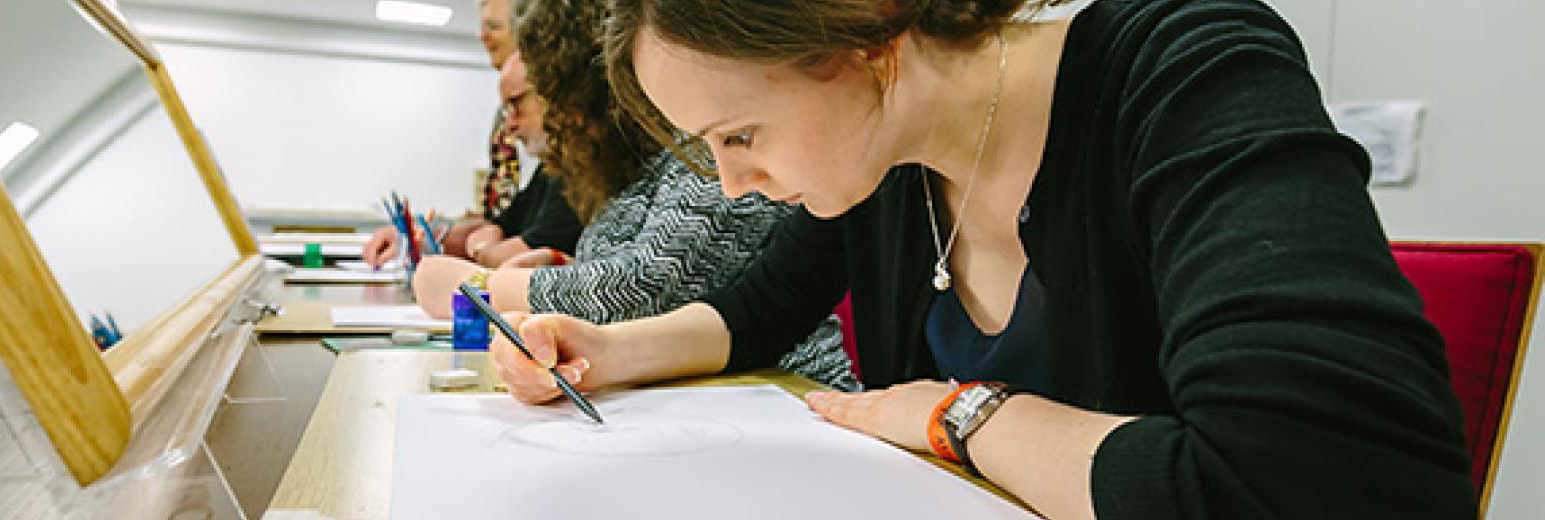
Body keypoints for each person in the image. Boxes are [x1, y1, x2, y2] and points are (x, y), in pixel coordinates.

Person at [489, 0, 1478, 518]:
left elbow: (1328, 486)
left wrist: (956, 414)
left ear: (862, 39)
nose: (733, 181)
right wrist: (601, 349)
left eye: (738, 132)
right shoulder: (887, 159)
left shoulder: (1186, 69)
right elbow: (754, 310)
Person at [411, 0, 858, 390]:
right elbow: (755, 303)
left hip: (779, 394)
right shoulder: (631, 167)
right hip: (728, 393)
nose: (731, 182)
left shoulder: (702, 149)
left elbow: (649, 284)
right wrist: (583, 308)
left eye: (532, 98)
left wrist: (484, 287)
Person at [364, 0, 555, 264]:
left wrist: (485, 249)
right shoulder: (546, 162)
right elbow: (501, 224)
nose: (482, 36)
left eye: (494, 26)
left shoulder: (576, 159)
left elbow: (526, 246)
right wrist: (414, 237)